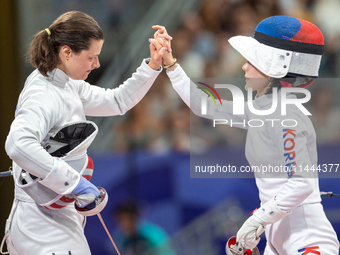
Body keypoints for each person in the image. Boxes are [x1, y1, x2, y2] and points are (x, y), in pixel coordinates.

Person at [150, 16, 340, 254]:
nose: (244, 67)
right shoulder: (263, 109)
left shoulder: (289, 114)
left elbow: (301, 182)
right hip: (277, 239)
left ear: (275, 67)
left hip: (308, 239)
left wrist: (257, 220)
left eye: (251, 61)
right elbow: (204, 106)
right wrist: (170, 64)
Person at [2, 11, 171, 255]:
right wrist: (74, 183)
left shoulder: (66, 84)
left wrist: (153, 65)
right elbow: (18, 145)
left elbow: (117, 101)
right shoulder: (43, 93)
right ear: (67, 52)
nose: (97, 64)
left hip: (51, 217)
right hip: (41, 226)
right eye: (91, 57)